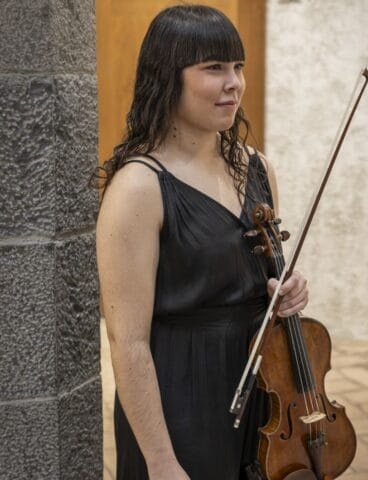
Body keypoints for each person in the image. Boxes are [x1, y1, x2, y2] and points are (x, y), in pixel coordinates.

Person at [95, 6, 308, 479]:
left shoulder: (256, 167)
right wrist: (162, 462)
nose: (234, 82)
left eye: (238, 67)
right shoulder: (138, 188)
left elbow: (262, 273)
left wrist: (286, 288)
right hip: (181, 402)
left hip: (264, 393)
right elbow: (127, 342)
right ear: (167, 77)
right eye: (214, 68)